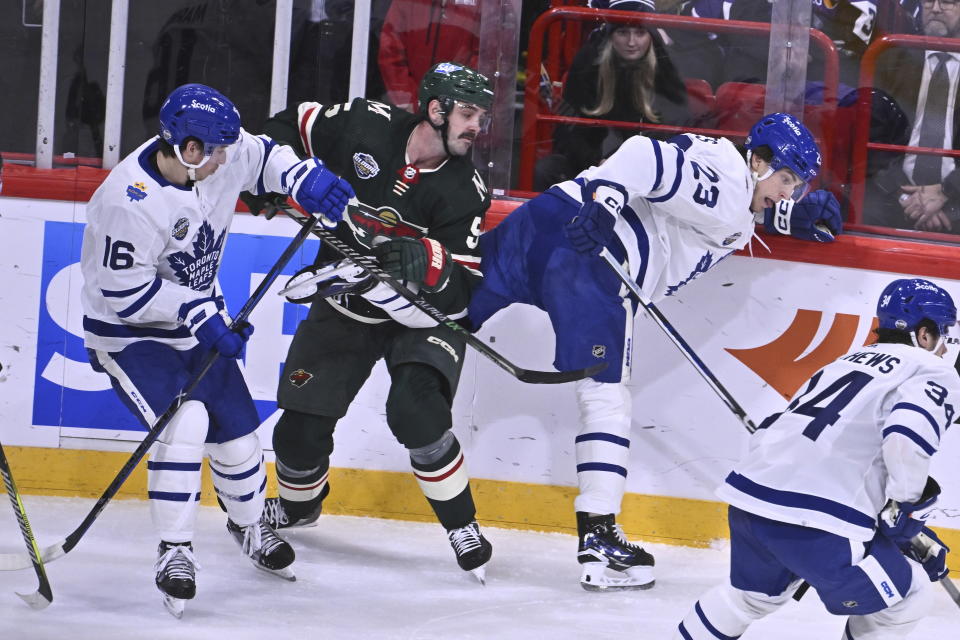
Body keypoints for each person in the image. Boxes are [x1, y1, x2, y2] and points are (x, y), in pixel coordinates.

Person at [467, 113, 844, 591]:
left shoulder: (730, 177)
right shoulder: (730, 189)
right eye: (787, 180)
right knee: (605, 397)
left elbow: (697, 200)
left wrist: (786, 215)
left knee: (444, 306)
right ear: (758, 161)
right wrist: (607, 204)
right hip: (593, 262)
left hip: (543, 220)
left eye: (796, 186)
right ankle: (600, 537)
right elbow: (646, 156)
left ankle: (367, 303)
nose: (789, 193)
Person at [79, 83, 354, 617]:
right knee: (185, 425)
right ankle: (174, 552)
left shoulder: (216, 153)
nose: (227, 157)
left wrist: (305, 178)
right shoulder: (127, 198)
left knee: (238, 434)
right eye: (214, 150)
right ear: (184, 147)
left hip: (193, 324)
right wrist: (198, 312)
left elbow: (265, 156)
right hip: (129, 336)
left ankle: (249, 526)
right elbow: (123, 293)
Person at [253, 62, 495, 582]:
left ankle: (462, 524)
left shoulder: (467, 189)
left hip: (418, 317)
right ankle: (299, 506)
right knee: (298, 428)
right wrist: (269, 179)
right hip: (345, 297)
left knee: (417, 411)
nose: (478, 126)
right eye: (469, 113)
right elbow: (287, 128)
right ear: (435, 110)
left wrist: (430, 264)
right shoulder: (366, 123)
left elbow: (464, 290)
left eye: (481, 116)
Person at [675, 277, 958, 639]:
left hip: (752, 499)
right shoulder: (931, 368)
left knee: (749, 598)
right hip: (820, 522)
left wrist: (899, 528)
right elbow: (906, 438)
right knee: (909, 594)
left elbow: (776, 429)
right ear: (924, 334)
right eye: (944, 334)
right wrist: (904, 507)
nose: (947, 348)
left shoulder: (842, 362)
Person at [534, 0, 691, 190]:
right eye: (623, 32)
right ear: (610, 34)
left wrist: (625, 162)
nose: (632, 42)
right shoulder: (588, 62)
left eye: (640, 32)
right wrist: (597, 161)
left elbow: (674, 128)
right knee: (547, 169)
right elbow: (570, 128)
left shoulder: (667, 67)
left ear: (650, 34)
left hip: (648, 167)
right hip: (593, 163)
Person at [867, 0, 960, 234]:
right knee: (863, 210)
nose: (936, 8)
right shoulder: (892, 58)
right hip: (896, 191)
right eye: (929, 0)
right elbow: (872, 136)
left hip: (956, 195)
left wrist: (945, 192)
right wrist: (904, 196)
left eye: (948, 2)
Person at [377, 0, 481, 112]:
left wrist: (455, 101)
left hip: (456, 108)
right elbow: (390, 50)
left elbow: (483, 55)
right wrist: (407, 99)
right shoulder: (405, 3)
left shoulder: (481, 4)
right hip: (408, 109)